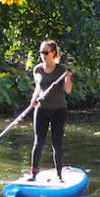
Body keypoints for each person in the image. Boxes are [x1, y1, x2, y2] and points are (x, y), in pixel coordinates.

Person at [28, 40, 73, 182]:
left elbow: (68, 90)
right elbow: (38, 88)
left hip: (59, 111)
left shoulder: (62, 69)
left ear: (53, 53)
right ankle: (34, 173)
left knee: (57, 143)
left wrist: (67, 78)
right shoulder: (37, 69)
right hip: (41, 110)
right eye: (41, 52)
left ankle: (59, 175)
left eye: (46, 52)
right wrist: (33, 99)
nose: (43, 55)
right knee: (38, 142)